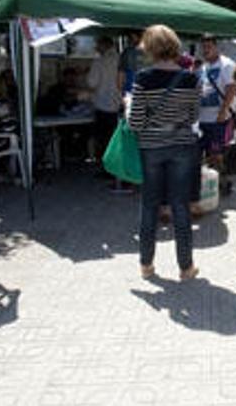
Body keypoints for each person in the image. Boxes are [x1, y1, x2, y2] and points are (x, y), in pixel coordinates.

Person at [128, 24, 201, 281]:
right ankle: (186, 267)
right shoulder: (191, 78)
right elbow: (194, 116)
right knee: (181, 206)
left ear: (150, 48)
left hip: (151, 147)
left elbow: (135, 122)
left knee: (149, 206)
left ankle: (146, 266)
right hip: (182, 145)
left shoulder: (143, 79)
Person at [198, 34, 236, 195]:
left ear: (216, 47)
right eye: (204, 47)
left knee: (217, 153)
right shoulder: (202, 66)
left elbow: (231, 89)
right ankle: (210, 184)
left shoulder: (227, 65)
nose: (205, 50)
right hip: (202, 118)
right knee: (206, 154)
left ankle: (224, 183)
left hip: (218, 118)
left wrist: (223, 111)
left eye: (209, 47)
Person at [87, 35, 121, 164]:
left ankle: (107, 168)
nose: (96, 48)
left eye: (97, 45)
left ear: (104, 45)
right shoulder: (121, 60)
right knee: (117, 139)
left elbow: (92, 83)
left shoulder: (99, 62)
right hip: (119, 105)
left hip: (103, 106)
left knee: (104, 139)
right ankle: (118, 169)